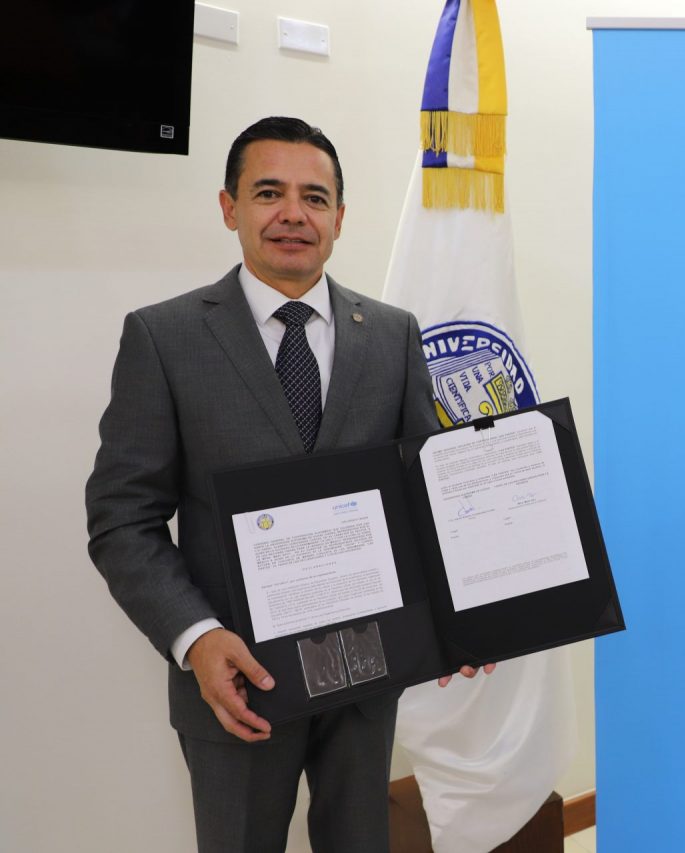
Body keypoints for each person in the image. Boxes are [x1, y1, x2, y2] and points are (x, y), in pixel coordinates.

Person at [85, 116, 484, 852]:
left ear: (340, 218)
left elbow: (431, 494)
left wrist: (467, 610)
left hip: (369, 673)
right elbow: (122, 518)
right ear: (229, 207)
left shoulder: (392, 334)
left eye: (315, 197)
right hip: (238, 683)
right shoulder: (164, 337)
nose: (293, 214)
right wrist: (197, 639)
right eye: (269, 193)